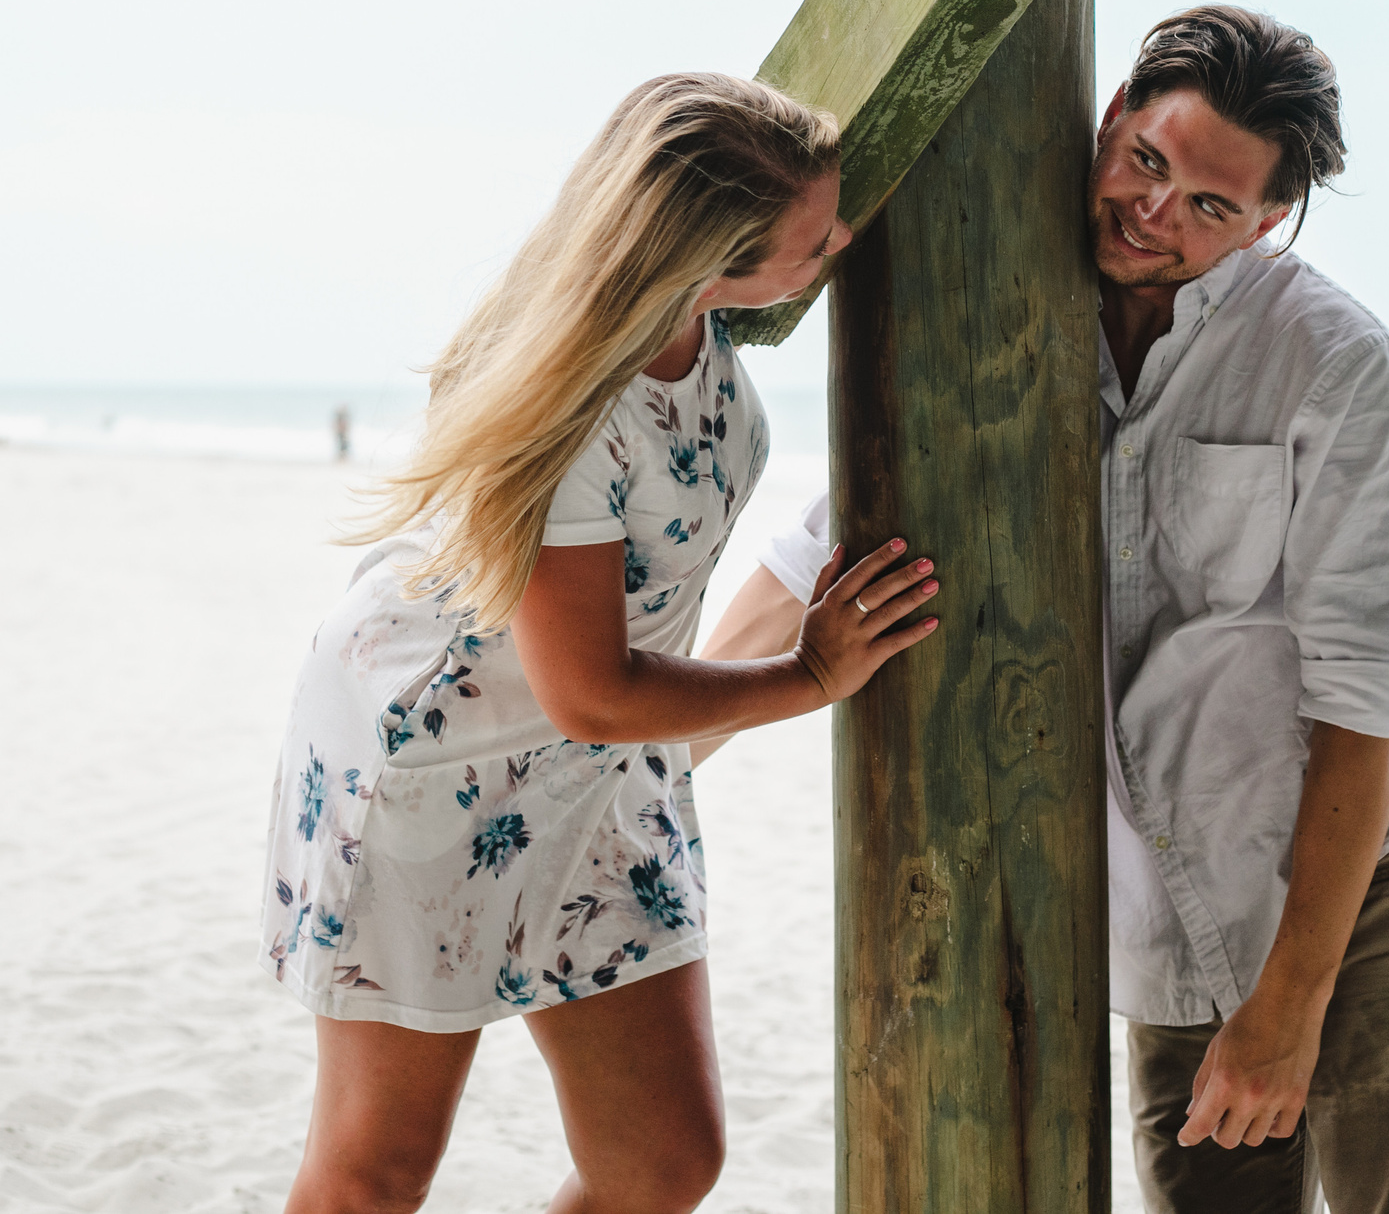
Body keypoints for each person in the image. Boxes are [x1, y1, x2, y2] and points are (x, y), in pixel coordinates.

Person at [701, 8, 1389, 1214]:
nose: (1154, 214)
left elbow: (1363, 695)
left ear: (1268, 222)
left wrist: (1289, 1006)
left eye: (1211, 208)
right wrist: (657, 750)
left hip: (1362, 894)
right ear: (1113, 111)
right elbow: (827, 548)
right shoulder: (1011, 314)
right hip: (1167, 915)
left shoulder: (1337, 370)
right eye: (1147, 162)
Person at [261, 72, 945, 1214]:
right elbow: (590, 688)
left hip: (601, 777)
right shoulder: (578, 400)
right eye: (815, 237)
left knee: (662, 1163)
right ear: (699, 259)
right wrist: (808, 676)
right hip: (435, 766)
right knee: (375, 1171)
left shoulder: (693, 317)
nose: (840, 245)